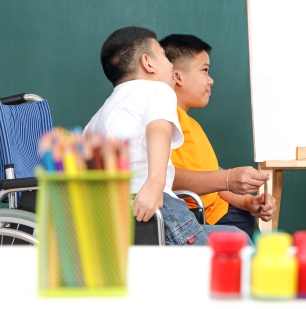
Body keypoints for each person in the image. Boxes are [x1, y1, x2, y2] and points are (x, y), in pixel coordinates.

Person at [85, 26, 266, 245]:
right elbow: (159, 128)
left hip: (116, 218)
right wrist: (155, 182)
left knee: (234, 237)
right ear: (148, 63)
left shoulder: (97, 118)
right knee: (237, 245)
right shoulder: (157, 90)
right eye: (162, 54)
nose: (170, 64)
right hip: (159, 209)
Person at [160, 33, 276, 238]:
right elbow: (166, 176)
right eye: (205, 70)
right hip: (206, 220)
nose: (211, 80)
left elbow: (214, 183)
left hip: (229, 214)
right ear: (177, 76)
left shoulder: (192, 125)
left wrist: (248, 202)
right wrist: (228, 178)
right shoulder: (164, 119)